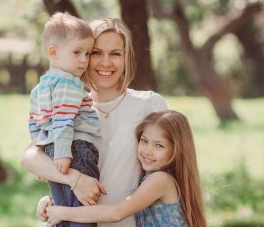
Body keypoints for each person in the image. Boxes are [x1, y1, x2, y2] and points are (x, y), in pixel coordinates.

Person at [21, 17, 168, 227]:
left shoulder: (150, 105)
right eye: (96, 53)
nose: (106, 63)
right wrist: (64, 191)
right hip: (71, 217)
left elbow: (168, 175)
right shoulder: (73, 105)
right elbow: (30, 158)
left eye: (115, 54)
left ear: (126, 58)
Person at [39, 110, 206, 227]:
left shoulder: (161, 180)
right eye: (144, 140)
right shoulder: (154, 178)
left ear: (177, 150)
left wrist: (61, 213)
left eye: (159, 146)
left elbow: (116, 213)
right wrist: (54, 202)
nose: (147, 150)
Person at [29, 12, 103, 227]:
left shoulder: (40, 87)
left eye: (88, 53)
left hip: (56, 150)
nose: (84, 60)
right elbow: (63, 120)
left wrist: (43, 156)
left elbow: (35, 123)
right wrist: (61, 154)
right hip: (75, 149)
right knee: (82, 213)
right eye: (77, 52)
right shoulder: (69, 82)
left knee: (62, 211)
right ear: (53, 52)